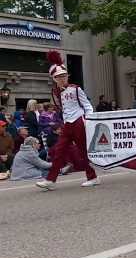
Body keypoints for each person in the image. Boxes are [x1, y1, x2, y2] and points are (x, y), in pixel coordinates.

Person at [35, 50, 100, 191]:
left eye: (64, 76)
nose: (62, 79)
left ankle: (93, 177)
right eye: (59, 77)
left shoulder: (75, 89)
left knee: (83, 151)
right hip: (67, 124)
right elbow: (60, 108)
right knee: (59, 151)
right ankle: (51, 180)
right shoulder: (55, 92)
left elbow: (87, 105)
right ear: (54, 78)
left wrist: (88, 118)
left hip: (78, 121)